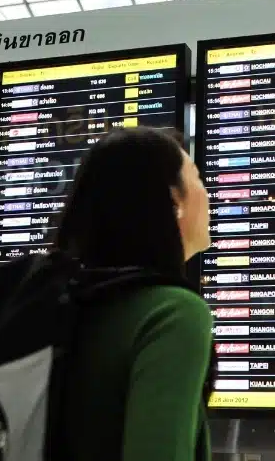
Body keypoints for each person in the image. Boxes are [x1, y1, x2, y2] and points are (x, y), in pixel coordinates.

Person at [57, 127, 214, 461]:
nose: (208, 193)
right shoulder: (173, 312)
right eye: (198, 178)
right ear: (175, 203)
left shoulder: (60, 300)